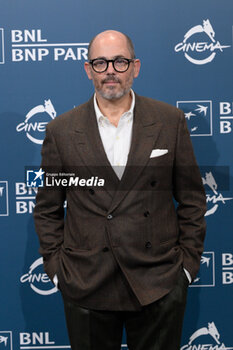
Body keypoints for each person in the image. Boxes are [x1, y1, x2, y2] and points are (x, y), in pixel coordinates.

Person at [34, 30, 206, 350]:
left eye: (120, 61)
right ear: (88, 70)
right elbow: (47, 207)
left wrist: (185, 268)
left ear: (135, 67)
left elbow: (193, 199)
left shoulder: (170, 121)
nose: (110, 70)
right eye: (100, 62)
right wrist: (58, 271)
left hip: (158, 282)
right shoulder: (61, 131)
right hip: (86, 284)